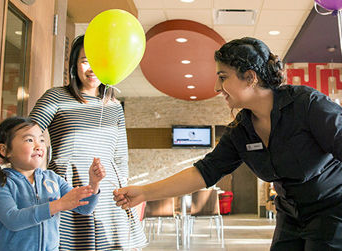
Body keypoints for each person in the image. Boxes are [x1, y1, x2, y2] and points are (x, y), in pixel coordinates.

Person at [114, 37, 342, 250]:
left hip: (332, 209)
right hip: (291, 214)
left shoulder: (307, 105)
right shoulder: (241, 130)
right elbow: (203, 172)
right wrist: (144, 192)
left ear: (251, 77)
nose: (216, 87)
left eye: (223, 77)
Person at [29, 35, 146, 250]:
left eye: (99, 61)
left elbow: (120, 157)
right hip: (66, 184)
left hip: (108, 188)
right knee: (69, 244)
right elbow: (26, 134)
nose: (92, 68)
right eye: (85, 60)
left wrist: (124, 193)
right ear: (74, 63)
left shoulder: (114, 106)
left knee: (109, 244)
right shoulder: (55, 97)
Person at [0, 116, 105, 251]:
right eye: (29, 140)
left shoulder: (53, 178)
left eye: (41, 139)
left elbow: (85, 208)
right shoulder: (0, 182)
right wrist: (58, 205)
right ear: (4, 150)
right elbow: (12, 219)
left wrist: (94, 183)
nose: (38, 146)